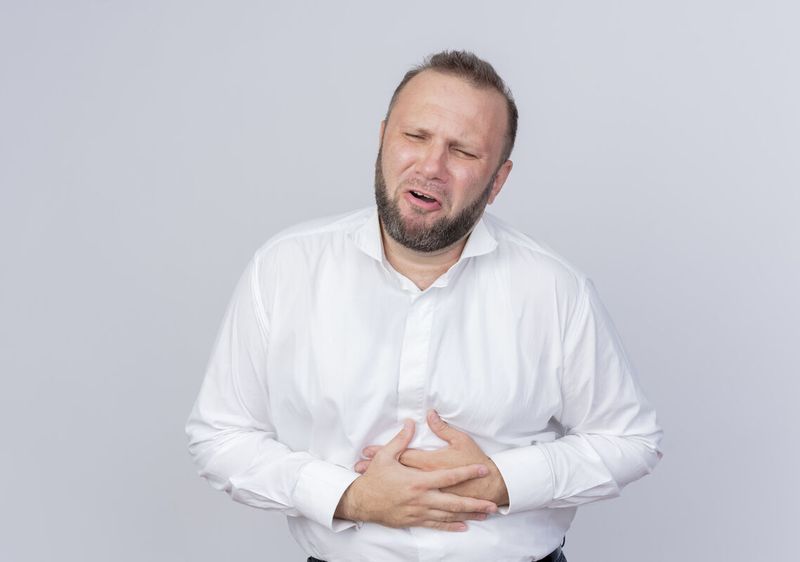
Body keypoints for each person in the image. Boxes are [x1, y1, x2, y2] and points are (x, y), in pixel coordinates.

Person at [185, 50, 663, 562]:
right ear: (383, 139)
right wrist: (349, 497)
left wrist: (501, 482)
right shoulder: (284, 268)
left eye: (463, 151)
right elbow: (221, 436)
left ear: (497, 180)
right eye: (415, 136)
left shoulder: (555, 288)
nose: (431, 166)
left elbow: (630, 439)